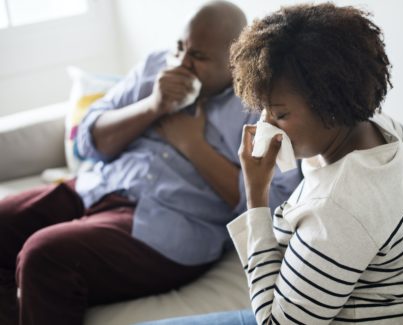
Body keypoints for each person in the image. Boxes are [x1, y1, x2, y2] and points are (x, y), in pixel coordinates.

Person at [136, 2, 403, 324]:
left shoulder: (338, 211)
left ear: (330, 104)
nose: (267, 125)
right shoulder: (381, 128)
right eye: (265, 110)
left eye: (281, 114)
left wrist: (256, 196)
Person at [0, 1, 302, 324]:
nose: (182, 63)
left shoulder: (259, 107)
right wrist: (152, 107)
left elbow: (273, 206)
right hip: (99, 186)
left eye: (198, 56)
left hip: (165, 226)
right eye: (180, 47)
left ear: (234, 63)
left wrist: (193, 145)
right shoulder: (156, 66)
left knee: (44, 256)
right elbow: (86, 139)